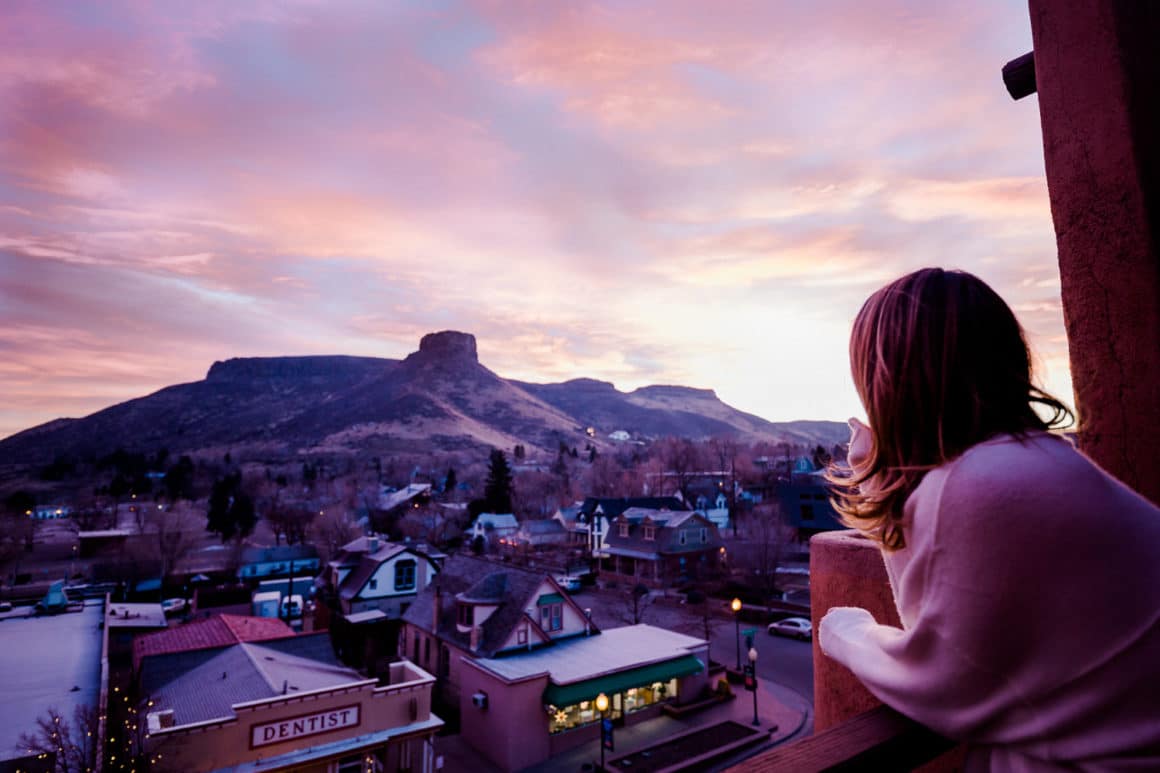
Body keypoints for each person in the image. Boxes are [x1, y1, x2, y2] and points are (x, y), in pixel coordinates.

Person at [819, 268, 1160, 771]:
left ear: (891, 380)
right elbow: (951, 623)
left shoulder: (981, 484)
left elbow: (937, 684)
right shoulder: (1034, 461)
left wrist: (846, 633)